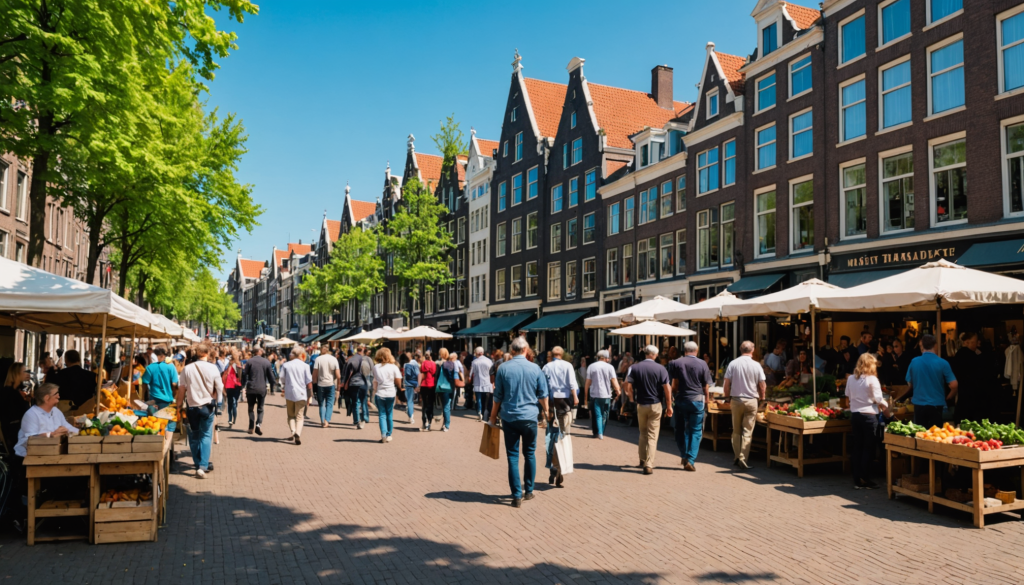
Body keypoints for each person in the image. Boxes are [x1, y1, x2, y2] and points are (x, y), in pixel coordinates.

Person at [490, 337, 549, 508]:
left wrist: (493, 418)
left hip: (509, 417)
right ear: (526, 350)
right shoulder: (535, 368)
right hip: (530, 417)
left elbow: (497, 397)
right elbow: (543, 395)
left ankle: (516, 495)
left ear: (513, 350)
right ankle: (529, 491)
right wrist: (547, 414)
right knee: (530, 453)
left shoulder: (503, 369)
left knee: (513, 456)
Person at [176, 343, 223, 478]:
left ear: (196, 354)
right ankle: (203, 465)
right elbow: (219, 387)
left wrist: (179, 405)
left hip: (192, 407)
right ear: (207, 354)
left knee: (194, 435)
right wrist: (218, 403)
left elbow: (182, 389)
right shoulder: (213, 368)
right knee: (206, 435)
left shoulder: (187, 369)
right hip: (207, 406)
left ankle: (197, 463)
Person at [624, 345, 672, 475]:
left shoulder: (634, 367)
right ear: (655, 355)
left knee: (642, 432)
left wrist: (631, 398)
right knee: (652, 435)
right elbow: (667, 388)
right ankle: (649, 464)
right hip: (655, 404)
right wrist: (669, 405)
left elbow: (627, 385)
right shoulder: (661, 368)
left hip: (641, 404)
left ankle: (642, 459)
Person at [846, 353, 888, 490]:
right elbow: (878, 399)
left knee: (857, 446)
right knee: (868, 448)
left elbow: (848, 396)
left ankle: (857, 478)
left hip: (855, 415)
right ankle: (865, 478)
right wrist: (887, 407)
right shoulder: (872, 379)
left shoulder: (851, 378)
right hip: (869, 416)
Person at [669, 341, 712, 472]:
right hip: (697, 400)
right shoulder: (702, 363)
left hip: (681, 399)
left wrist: (671, 397)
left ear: (684, 350)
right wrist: (707, 401)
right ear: (697, 350)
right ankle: (691, 460)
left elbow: (674, 384)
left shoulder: (675, 363)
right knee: (695, 430)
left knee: (680, 429)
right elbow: (706, 386)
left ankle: (683, 454)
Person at [724, 341, 766, 470]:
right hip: (752, 400)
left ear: (740, 350)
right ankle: (743, 457)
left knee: (736, 430)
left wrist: (727, 397)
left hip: (736, 400)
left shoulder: (733, 363)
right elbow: (762, 385)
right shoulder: (756, 365)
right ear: (752, 350)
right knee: (747, 431)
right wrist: (762, 398)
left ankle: (737, 457)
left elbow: (726, 384)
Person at [902, 334, 957, 429]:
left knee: (920, 435)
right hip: (937, 405)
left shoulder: (914, 362)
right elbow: (954, 385)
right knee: (935, 436)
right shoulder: (943, 363)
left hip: (919, 404)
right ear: (935, 345)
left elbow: (910, 383)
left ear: (922, 345)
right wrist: (949, 397)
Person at [541, 346, 578, 487]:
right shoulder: (568, 365)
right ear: (562, 354)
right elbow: (572, 383)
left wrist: (544, 409)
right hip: (565, 404)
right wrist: (575, 398)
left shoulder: (546, 367)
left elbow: (543, 387)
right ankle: (560, 468)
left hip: (551, 404)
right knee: (564, 435)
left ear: (552, 354)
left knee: (551, 436)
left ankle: (554, 466)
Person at [280, 347, 313, 445]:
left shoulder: (286, 365)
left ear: (294, 355)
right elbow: (309, 382)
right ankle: (298, 433)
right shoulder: (305, 366)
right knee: (299, 416)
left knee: (290, 415)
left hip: (289, 393)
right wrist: (309, 395)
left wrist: (283, 386)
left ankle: (293, 431)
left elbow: (282, 378)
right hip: (301, 393)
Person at [584, 350, 620, 439]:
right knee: (605, 414)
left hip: (595, 394)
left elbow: (588, 382)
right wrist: (618, 390)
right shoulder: (610, 367)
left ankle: (598, 432)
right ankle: (601, 432)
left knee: (597, 414)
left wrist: (585, 396)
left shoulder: (591, 367)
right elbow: (614, 380)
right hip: (606, 394)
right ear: (606, 358)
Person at [371, 347, 402, 443]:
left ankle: (383, 434)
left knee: (382, 415)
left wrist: (374, 391)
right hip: (391, 393)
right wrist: (400, 387)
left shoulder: (376, 367)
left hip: (380, 393)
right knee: (389, 414)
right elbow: (398, 381)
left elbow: (375, 380)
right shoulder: (394, 367)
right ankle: (389, 434)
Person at [952, 332, 984, 424]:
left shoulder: (960, 355)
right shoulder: (969, 355)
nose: (976, 344)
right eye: (973, 342)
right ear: (966, 342)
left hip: (963, 391)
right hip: (971, 392)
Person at [243, 348, 275, 435]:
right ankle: (258, 425)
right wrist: (273, 385)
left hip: (251, 388)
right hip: (261, 388)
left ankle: (251, 427)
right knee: (260, 408)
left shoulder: (249, 361)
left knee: (250, 408)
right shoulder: (266, 362)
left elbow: (245, 374)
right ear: (260, 352)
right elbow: (271, 376)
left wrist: (243, 385)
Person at [1, 363, 32, 452]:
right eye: (24, 371)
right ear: (16, 374)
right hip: (14, 432)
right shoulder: (9, 392)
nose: (28, 373)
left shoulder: (14, 391)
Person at [342, 346, 373, 429]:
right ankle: (364, 418)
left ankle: (356, 420)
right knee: (364, 400)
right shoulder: (365, 360)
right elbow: (370, 370)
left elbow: (347, 374)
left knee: (355, 402)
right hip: (363, 382)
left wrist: (345, 383)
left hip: (353, 383)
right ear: (362, 351)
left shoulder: (351, 360)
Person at [312, 347, 341, 428]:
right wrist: (338, 386)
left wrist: (314, 385)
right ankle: (326, 421)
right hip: (330, 384)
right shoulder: (334, 359)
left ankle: (322, 421)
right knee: (329, 404)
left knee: (321, 404)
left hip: (320, 384)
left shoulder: (318, 359)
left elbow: (314, 374)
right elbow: (338, 376)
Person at [436, 348, 463, 432]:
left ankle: (446, 424)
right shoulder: (452, 363)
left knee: (444, 406)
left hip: (441, 386)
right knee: (447, 406)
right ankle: (445, 424)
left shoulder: (438, 363)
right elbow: (455, 375)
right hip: (450, 386)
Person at [469, 347, 494, 422]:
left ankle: (480, 412)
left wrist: (470, 380)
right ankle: (486, 413)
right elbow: (492, 372)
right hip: (487, 383)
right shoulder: (489, 361)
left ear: (476, 353)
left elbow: (471, 374)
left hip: (477, 383)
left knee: (478, 399)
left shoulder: (474, 362)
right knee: (486, 400)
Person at [221, 349, 244, 427]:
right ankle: (234, 419)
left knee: (230, 403)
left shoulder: (228, 364)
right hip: (237, 386)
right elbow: (242, 375)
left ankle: (230, 419)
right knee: (234, 402)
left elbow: (224, 374)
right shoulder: (240, 364)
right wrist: (242, 386)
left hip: (229, 385)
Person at [418, 349, 438, 431]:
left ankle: (424, 422)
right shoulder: (433, 363)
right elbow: (434, 372)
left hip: (424, 384)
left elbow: (421, 371)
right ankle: (429, 421)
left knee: (424, 404)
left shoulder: (423, 363)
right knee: (431, 403)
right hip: (431, 384)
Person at [402, 351, 421, 424]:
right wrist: (418, 384)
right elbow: (418, 373)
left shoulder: (405, 364)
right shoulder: (415, 363)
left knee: (409, 400)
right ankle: (410, 414)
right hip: (415, 382)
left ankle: (411, 416)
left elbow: (405, 375)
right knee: (411, 400)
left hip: (408, 384)